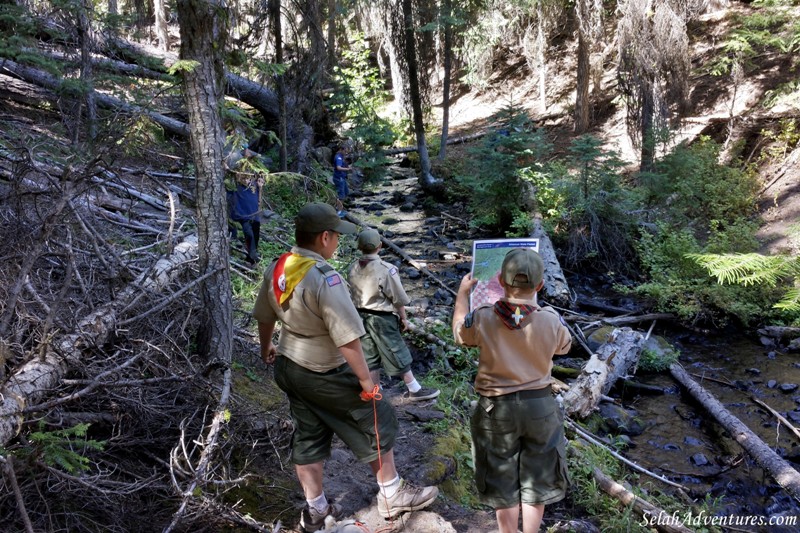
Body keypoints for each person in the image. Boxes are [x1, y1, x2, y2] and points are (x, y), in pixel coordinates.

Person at [253, 203, 438, 533]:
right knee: (379, 415)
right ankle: (393, 493)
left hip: (289, 366)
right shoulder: (326, 279)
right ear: (324, 237)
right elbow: (348, 338)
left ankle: (316, 510)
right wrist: (367, 381)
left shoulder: (279, 267)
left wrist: (266, 344)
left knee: (309, 432)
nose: (338, 242)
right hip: (323, 369)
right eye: (336, 236)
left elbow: (265, 315)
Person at [451, 248, 572, 533]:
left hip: (495, 409)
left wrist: (462, 295)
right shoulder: (550, 320)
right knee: (537, 478)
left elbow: (459, 333)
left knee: (501, 475)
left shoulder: (481, 317)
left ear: (500, 282)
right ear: (540, 285)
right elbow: (564, 347)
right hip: (539, 408)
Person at [347, 228, 440, 401]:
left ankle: (375, 390)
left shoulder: (353, 268)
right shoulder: (386, 269)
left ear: (359, 247)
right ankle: (414, 388)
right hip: (382, 317)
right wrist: (403, 317)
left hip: (360, 316)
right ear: (380, 246)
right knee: (396, 350)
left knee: (369, 353)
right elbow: (397, 298)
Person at [224, 132, 263, 264]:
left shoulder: (254, 173)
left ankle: (251, 256)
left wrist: (260, 185)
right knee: (248, 231)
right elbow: (230, 172)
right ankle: (251, 254)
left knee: (255, 230)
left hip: (253, 208)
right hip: (242, 209)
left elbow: (259, 194)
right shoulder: (236, 171)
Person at [332, 145, 351, 217]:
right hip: (339, 178)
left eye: (347, 152)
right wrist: (348, 169)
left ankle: (340, 208)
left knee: (346, 192)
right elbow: (338, 167)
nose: (346, 153)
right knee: (341, 195)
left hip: (342, 177)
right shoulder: (338, 157)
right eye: (345, 151)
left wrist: (347, 167)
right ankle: (339, 212)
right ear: (341, 150)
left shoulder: (342, 157)